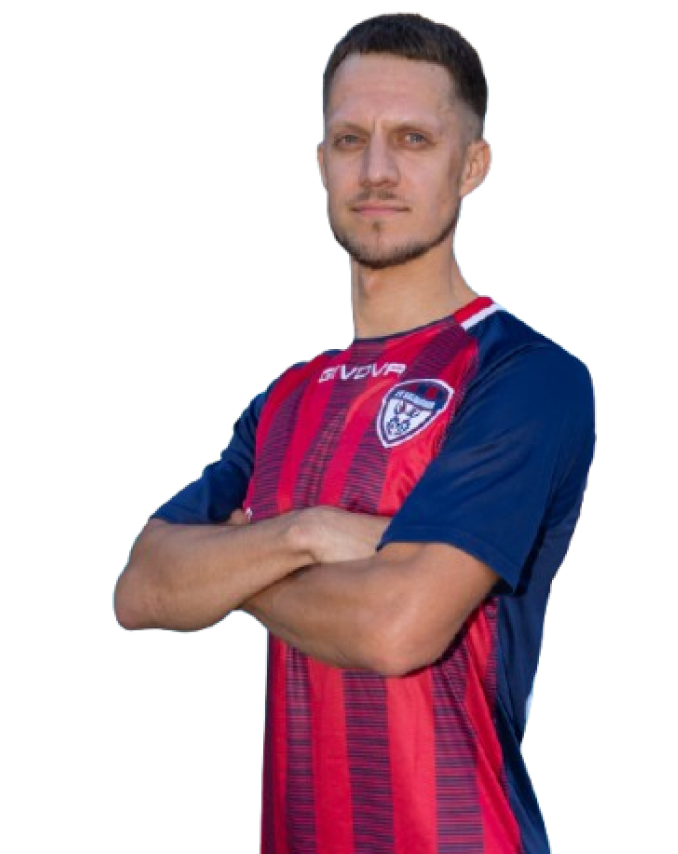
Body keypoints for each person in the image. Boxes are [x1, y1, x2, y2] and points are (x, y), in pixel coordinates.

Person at [114, 12, 595, 854]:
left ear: (472, 166)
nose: (376, 170)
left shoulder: (525, 374)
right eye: (349, 140)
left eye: (413, 138)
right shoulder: (285, 399)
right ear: (321, 164)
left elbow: (395, 628)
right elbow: (141, 589)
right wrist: (306, 533)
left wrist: (232, 570)